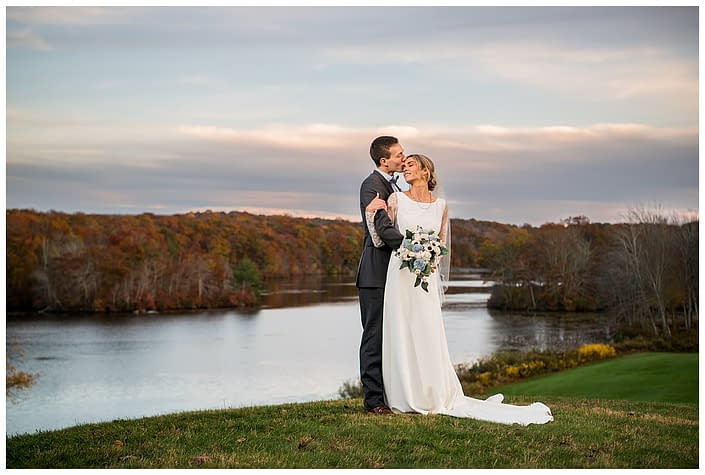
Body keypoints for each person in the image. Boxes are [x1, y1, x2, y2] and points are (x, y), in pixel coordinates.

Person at [365, 154, 553, 425]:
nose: (405, 169)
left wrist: (429, 257)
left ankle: (432, 392)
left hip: (425, 277)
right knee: (401, 328)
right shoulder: (396, 199)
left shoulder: (441, 206)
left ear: (426, 172)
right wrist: (372, 214)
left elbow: (441, 244)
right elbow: (381, 238)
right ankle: (403, 394)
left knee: (427, 329)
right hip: (400, 274)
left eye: (411, 165)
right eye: (403, 166)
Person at [355, 136, 406, 414]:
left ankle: (391, 394)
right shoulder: (372, 185)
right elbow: (382, 228)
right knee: (373, 337)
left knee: (392, 336)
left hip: (393, 273)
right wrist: (413, 247)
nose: (403, 158)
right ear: (384, 160)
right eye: (399, 154)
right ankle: (373, 401)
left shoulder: (395, 185)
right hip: (375, 274)